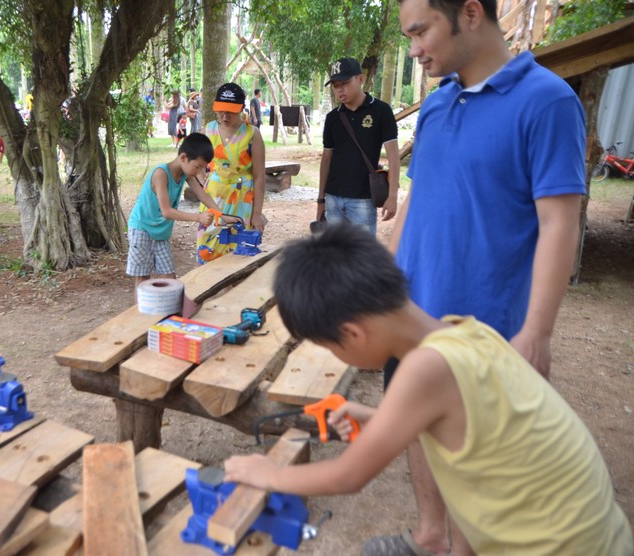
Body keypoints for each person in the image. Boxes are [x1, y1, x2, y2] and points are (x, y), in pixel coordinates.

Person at [223, 224, 634, 555]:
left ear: (351, 334)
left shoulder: (425, 369)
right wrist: (377, 418)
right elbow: (475, 453)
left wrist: (271, 474)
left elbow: (348, 476)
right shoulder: (465, 331)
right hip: (597, 535)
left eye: (330, 347)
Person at [380, 0, 589, 553]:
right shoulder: (437, 102)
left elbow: (559, 221)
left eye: (420, 32)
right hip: (412, 311)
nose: (414, 49)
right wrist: (383, 285)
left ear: (471, 13)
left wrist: (538, 331)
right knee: (420, 424)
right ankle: (429, 536)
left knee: (477, 457)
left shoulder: (546, 101)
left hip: (484, 327)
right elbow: (419, 194)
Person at [126, 133, 238, 297]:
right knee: (143, 281)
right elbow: (167, 211)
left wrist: (222, 215)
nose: (200, 172)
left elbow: (203, 195)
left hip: (161, 233)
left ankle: (170, 318)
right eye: (198, 166)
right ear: (183, 157)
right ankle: (141, 320)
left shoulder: (187, 173)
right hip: (142, 229)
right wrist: (198, 218)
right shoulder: (160, 174)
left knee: (170, 279)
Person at [317, 58, 400, 236]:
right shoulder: (333, 117)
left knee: (363, 257)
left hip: (363, 200)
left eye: (345, 83)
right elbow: (326, 159)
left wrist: (392, 196)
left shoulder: (381, 111)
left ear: (360, 79)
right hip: (333, 198)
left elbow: (393, 157)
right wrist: (321, 200)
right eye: (335, 85)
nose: (340, 89)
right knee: (335, 256)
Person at [196, 83, 266, 264]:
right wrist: (202, 179)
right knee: (208, 249)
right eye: (221, 111)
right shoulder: (208, 130)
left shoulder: (252, 134)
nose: (224, 116)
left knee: (239, 253)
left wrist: (257, 214)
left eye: (231, 111)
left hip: (242, 201)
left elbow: (259, 177)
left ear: (242, 110)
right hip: (213, 199)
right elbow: (192, 163)